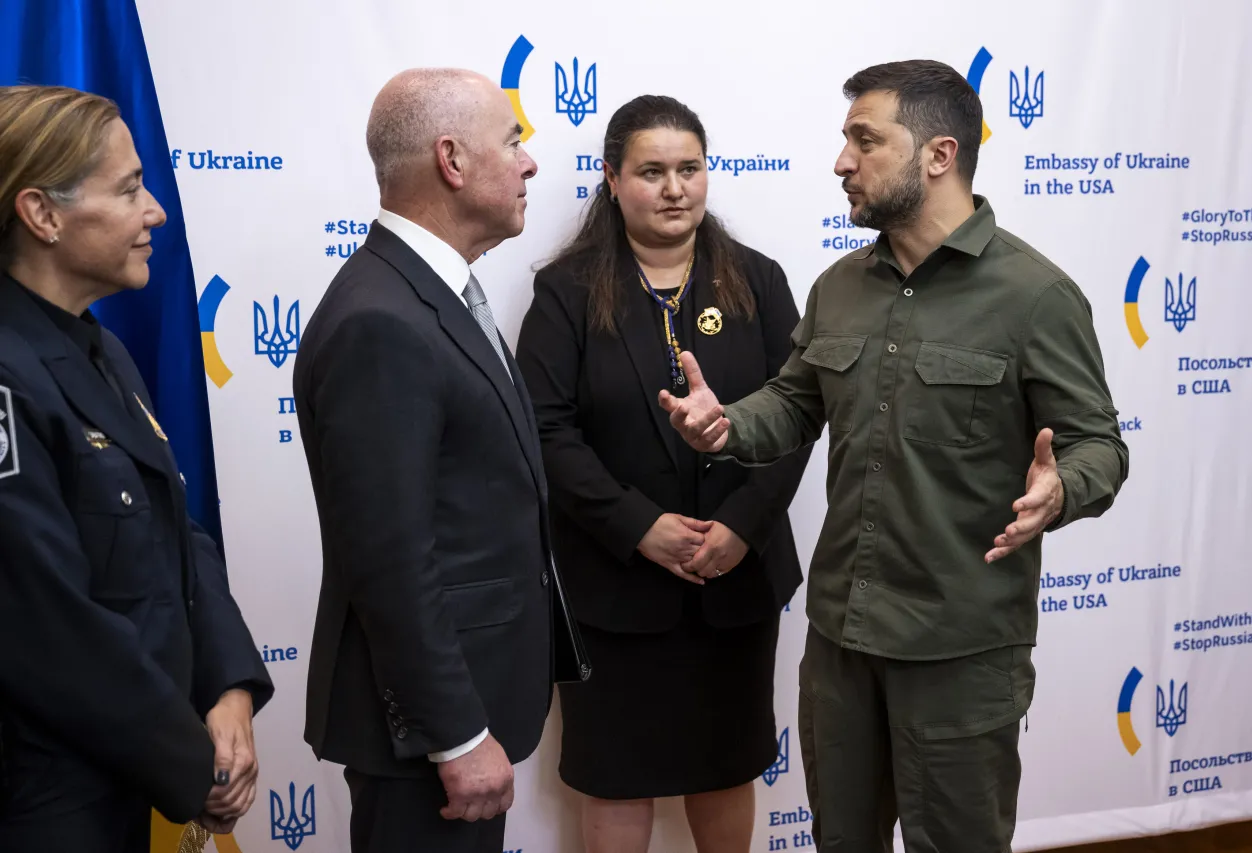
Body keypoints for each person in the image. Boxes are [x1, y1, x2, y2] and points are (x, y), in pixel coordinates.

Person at [660, 60, 1129, 852]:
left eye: (864, 140)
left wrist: (1063, 488)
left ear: (938, 155)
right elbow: (796, 402)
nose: (842, 161)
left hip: (961, 647)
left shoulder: (1036, 295)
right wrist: (727, 426)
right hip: (841, 641)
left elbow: (1099, 446)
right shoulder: (840, 284)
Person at [294, 68, 582, 853]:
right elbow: (389, 557)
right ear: (452, 161)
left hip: (458, 710)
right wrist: (454, 733)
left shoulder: (426, 293)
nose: (529, 164)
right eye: (513, 141)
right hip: (426, 735)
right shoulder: (380, 319)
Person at [515, 94, 811, 853]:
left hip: (735, 585)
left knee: (725, 764)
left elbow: (800, 416)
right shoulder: (567, 292)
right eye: (652, 171)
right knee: (618, 773)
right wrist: (638, 526)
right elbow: (545, 431)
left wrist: (742, 528)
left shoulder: (759, 279)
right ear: (612, 179)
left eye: (690, 168)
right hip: (613, 588)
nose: (674, 187)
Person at [0, 85, 273, 852]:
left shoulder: (103, 349)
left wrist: (228, 692)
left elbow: (178, 536)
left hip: (130, 785)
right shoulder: (8, 372)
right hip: (48, 807)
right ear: (42, 215)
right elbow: (47, 624)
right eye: (128, 190)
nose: (155, 211)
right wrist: (197, 766)